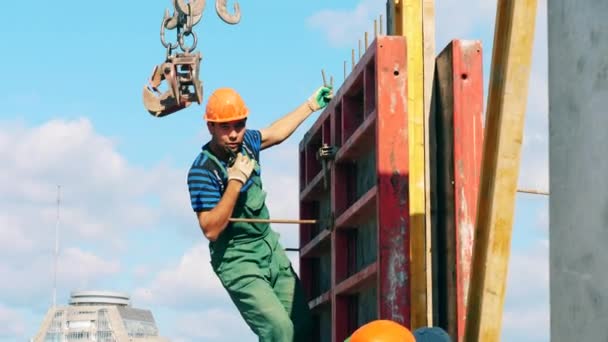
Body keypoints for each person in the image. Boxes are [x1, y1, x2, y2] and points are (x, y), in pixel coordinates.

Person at [187, 85, 333, 341]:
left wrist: (310, 105)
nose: (233, 134)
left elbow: (274, 133)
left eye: (239, 126)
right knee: (279, 331)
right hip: (237, 260)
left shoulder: (247, 144)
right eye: (225, 128)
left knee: (302, 326)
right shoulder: (202, 170)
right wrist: (234, 182)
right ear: (210, 127)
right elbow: (210, 229)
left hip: (269, 248)